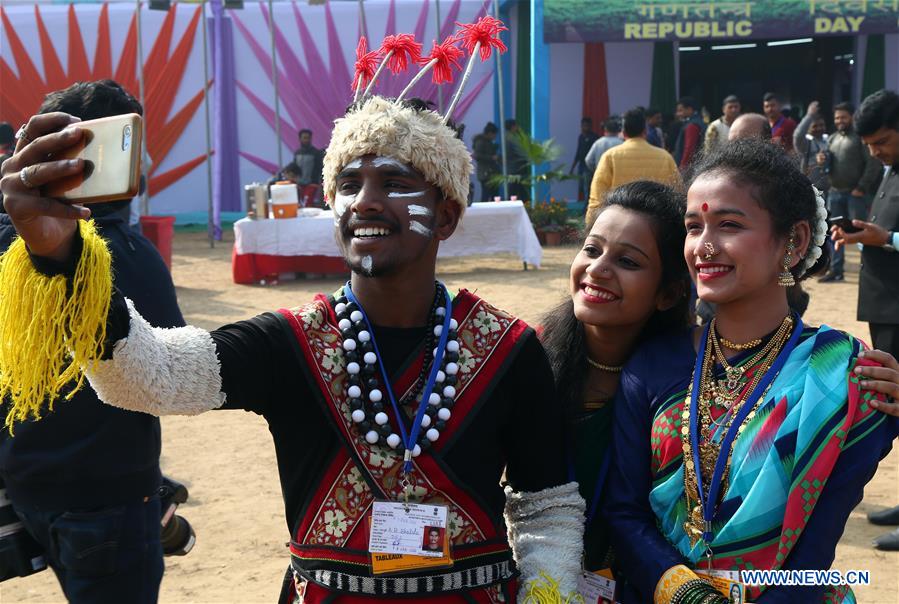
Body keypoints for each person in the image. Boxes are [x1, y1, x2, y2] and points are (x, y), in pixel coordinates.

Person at [0, 90, 585, 602]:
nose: (365, 201)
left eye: (394, 183)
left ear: (447, 215)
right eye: (349, 184)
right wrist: (62, 257)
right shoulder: (291, 342)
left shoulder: (508, 350)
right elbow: (148, 375)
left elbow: (547, 506)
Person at [604, 139, 897, 603]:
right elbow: (623, 513)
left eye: (729, 225)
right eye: (693, 227)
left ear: (793, 241)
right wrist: (684, 592)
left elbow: (813, 552)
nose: (704, 246)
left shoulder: (843, 376)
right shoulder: (653, 364)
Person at [0, 80, 185, 603]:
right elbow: (170, 375)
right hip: (106, 497)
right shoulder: (125, 252)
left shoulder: (8, 240)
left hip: (27, 482)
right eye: (134, 143)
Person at [542, 180, 692, 573]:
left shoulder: (685, 385)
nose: (597, 269)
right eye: (591, 250)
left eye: (628, 262)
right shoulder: (532, 358)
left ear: (668, 294)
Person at [832, 89, 899, 550]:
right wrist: (864, 235)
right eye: (870, 145)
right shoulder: (889, 168)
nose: (876, 152)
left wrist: (888, 238)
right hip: (886, 303)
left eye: (883, 142)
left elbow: (891, 233)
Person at [818, 101, 883, 282]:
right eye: (837, 117)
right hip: (835, 193)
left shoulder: (860, 138)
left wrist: (861, 187)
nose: (840, 120)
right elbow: (827, 165)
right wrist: (822, 161)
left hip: (856, 195)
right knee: (835, 234)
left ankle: (868, 272)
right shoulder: (832, 139)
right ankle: (836, 270)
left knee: (861, 234)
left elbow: (873, 164)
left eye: (843, 117)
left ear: (852, 117)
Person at [585, 109, 681, 226]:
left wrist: (591, 226)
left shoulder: (610, 156)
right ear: (645, 131)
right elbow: (678, 194)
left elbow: (596, 198)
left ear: (623, 132)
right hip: (658, 226)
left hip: (619, 225)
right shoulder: (665, 157)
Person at [794, 101, 829, 191]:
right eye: (815, 126)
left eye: (822, 125)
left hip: (828, 190)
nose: (819, 128)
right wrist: (809, 116)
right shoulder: (806, 143)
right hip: (810, 189)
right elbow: (797, 136)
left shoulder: (828, 140)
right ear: (808, 128)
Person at [570, 117, 599, 201]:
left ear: (590, 126)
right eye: (583, 125)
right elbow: (578, 153)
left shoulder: (594, 137)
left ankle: (587, 205)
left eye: (587, 125)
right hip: (581, 166)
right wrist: (572, 168)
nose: (585, 127)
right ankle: (585, 203)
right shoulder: (581, 137)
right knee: (581, 187)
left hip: (589, 167)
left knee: (587, 187)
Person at [673, 97, 706, 171]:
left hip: (690, 169)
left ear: (689, 109)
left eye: (680, 110)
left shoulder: (692, 126)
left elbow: (689, 149)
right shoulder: (698, 121)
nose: (678, 114)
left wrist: (682, 168)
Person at [504, 118, 530, 201]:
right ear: (513, 127)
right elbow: (520, 151)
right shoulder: (512, 138)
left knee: (518, 190)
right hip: (516, 169)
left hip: (513, 168)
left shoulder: (508, 137)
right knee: (515, 191)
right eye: (516, 126)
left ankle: (525, 203)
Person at [473, 122, 500, 202]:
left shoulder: (488, 141)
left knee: (494, 194)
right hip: (485, 173)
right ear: (490, 133)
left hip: (491, 173)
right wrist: (491, 158)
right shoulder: (481, 142)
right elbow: (477, 156)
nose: (495, 137)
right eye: (494, 134)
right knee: (486, 195)